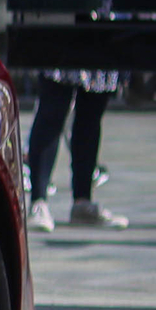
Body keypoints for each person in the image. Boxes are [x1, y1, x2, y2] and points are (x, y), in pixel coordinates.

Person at [27, 72, 129, 231]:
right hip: (62, 49)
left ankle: (82, 202)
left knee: (92, 112)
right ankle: (38, 202)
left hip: (99, 49)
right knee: (53, 104)